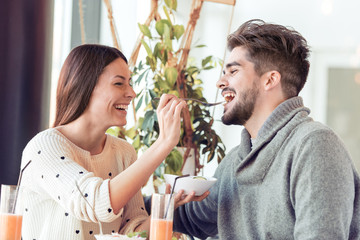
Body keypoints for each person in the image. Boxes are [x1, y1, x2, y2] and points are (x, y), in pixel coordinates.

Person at [173, 19, 360, 239]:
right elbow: (187, 217)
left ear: (270, 80)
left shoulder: (315, 145)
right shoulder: (236, 161)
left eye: (233, 71)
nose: (220, 82)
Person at [19, 44, 206, 239]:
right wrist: (163, 143)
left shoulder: (124, 152)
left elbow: (131, 231)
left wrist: (165, 206)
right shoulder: (44, 147)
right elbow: (94, 202)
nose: (132, 93)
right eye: (119, 83)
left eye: (130, 83)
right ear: (85, 86)